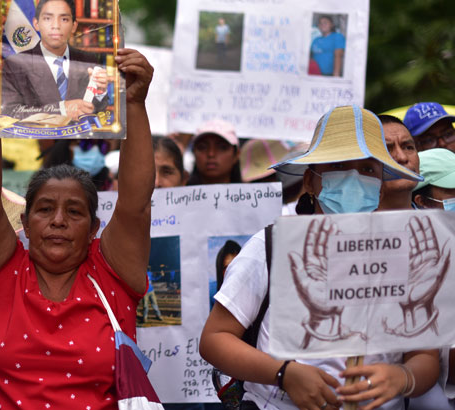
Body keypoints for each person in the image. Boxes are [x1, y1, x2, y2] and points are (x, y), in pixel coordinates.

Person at [200, 105, 439, 410]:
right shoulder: (272, 246)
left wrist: (402, 377)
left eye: (367, 169)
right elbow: (215, 338)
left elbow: (425, 357)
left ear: (380, 188)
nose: (353, 178)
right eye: (338, 165)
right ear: (311, 182)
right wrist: (284, 374)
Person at [0, 42, 155, 408]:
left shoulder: (112, 271)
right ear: (23, 222)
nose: (58, 221)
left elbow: (135, 205)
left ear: (95, 227)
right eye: (45, 209)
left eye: (74, 212)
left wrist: (134, 103)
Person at [1, 0, 109, 122]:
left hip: (79, 139)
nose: (56, 26)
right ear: (36, 24)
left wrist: (100, 92)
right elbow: (10, 114)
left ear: (74, 26)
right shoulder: (15, 64)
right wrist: (62, 109)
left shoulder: (88, 60)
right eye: (47, 18)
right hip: (37, 141)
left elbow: (100, 112)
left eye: (64, 19)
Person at [377, 115, 420, 211]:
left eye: (408, 147)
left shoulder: (441, 223)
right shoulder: (345, 225)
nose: (402, 157)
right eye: (387, 150)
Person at [186, 119, 242, 185]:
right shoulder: (178, 194)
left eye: (222, 147)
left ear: (236, 154)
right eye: (202, 147)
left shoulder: (251, 194)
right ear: (194, 152)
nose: (211, 154)